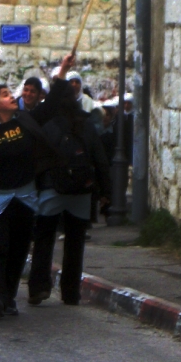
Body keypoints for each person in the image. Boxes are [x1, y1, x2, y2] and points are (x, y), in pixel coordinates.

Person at [0, 54, 74, 318]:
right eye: (6, 95)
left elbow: (50, 105)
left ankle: (8, 296)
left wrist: (62, 71)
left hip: (25, 197)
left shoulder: (25, 121)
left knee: (18, 249)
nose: (12, 96)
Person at [27, 83, 112, 307]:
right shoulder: (86, 125)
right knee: (75, 243)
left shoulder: (49, 125)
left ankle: (38, 286)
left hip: (52, 188)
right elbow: (100, 160)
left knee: (44, 240)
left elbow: (37, 159)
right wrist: (106, 192)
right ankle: (71, 292)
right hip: (81, 191)